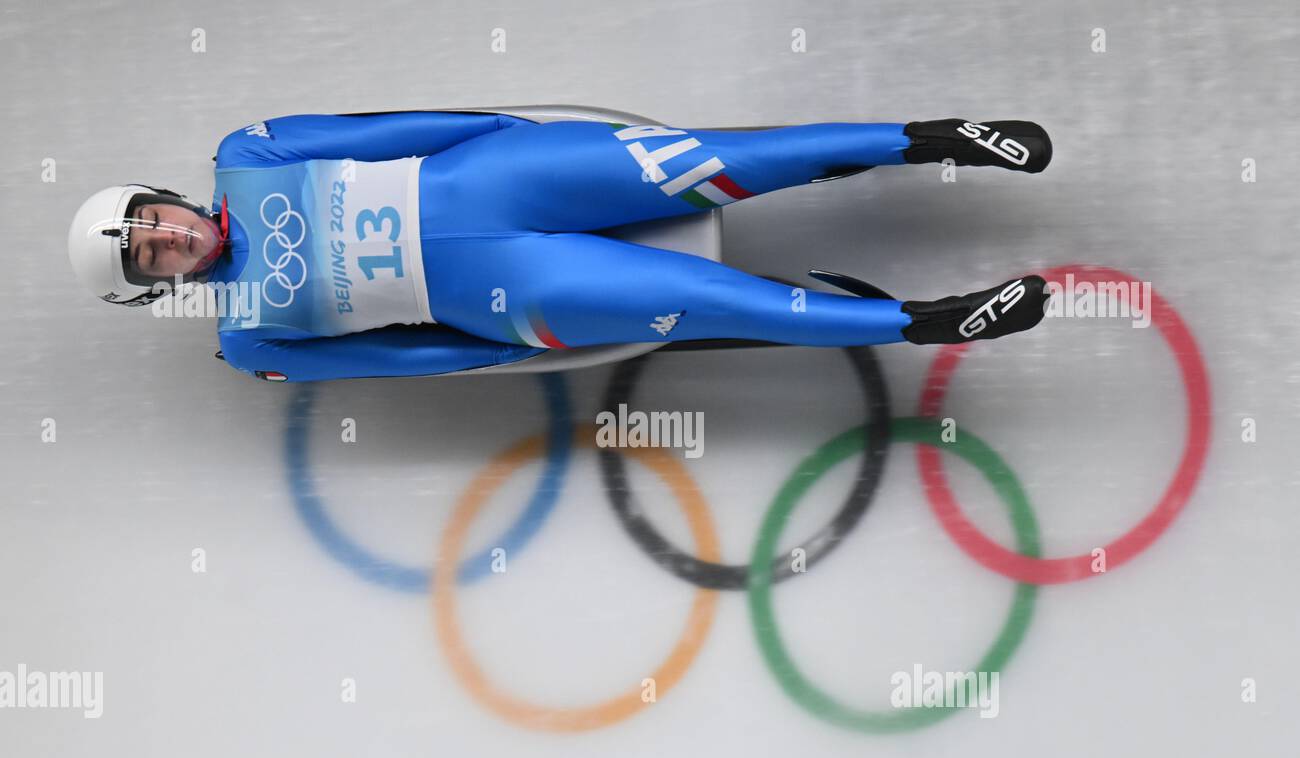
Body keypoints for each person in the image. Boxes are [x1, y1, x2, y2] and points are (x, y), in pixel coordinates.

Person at [67, 112, 1053, 382]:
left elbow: (377, 130)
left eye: (152, 222)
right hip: (505, 292)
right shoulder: (247, 338)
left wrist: (491, 130)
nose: (167, 240)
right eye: (151, 258)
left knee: (721, 159)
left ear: (164, 199)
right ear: (160, 287)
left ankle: (932, 138)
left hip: (496, 176)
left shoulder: (250, 151)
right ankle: (922, 322)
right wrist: (488, 352)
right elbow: (388, 362)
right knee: (716, 301)